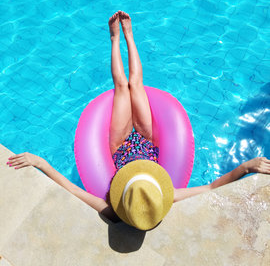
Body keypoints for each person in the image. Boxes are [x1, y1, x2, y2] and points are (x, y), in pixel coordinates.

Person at [6, 11, 270, 230]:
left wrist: (40, 162)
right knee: (136, 84)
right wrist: (246, 167)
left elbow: (74, 191)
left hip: (120, 147)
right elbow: (211, 186)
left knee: (123, 86)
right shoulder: (163, 198)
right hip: (149, 146)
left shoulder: (113, 210)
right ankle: (129, 36)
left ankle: (114, 39)